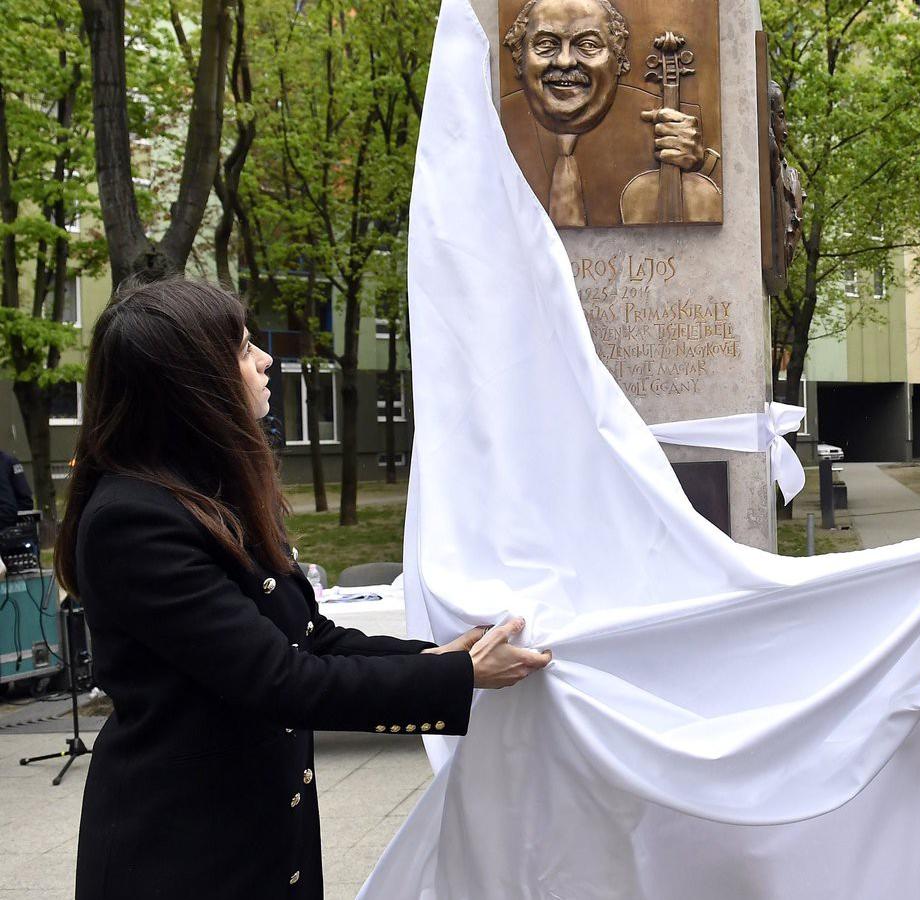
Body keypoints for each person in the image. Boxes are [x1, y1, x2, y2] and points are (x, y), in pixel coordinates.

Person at [59, 278, 552, 900]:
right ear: (190, 383)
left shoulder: (207, 496)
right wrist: (462, 676)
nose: (264, 359)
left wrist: (445, 652)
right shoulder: (135, 522)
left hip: (253, 838)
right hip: (181, 854)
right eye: (242, 349)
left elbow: (311, 638)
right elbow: (280, 680)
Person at [500, 0, 716, 226]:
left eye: (588, 45)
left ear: (619, 58)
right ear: (519, 55)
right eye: (546, 44)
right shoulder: (490, 121)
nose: (564, 61)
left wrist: (695, 169)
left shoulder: (674, 120)